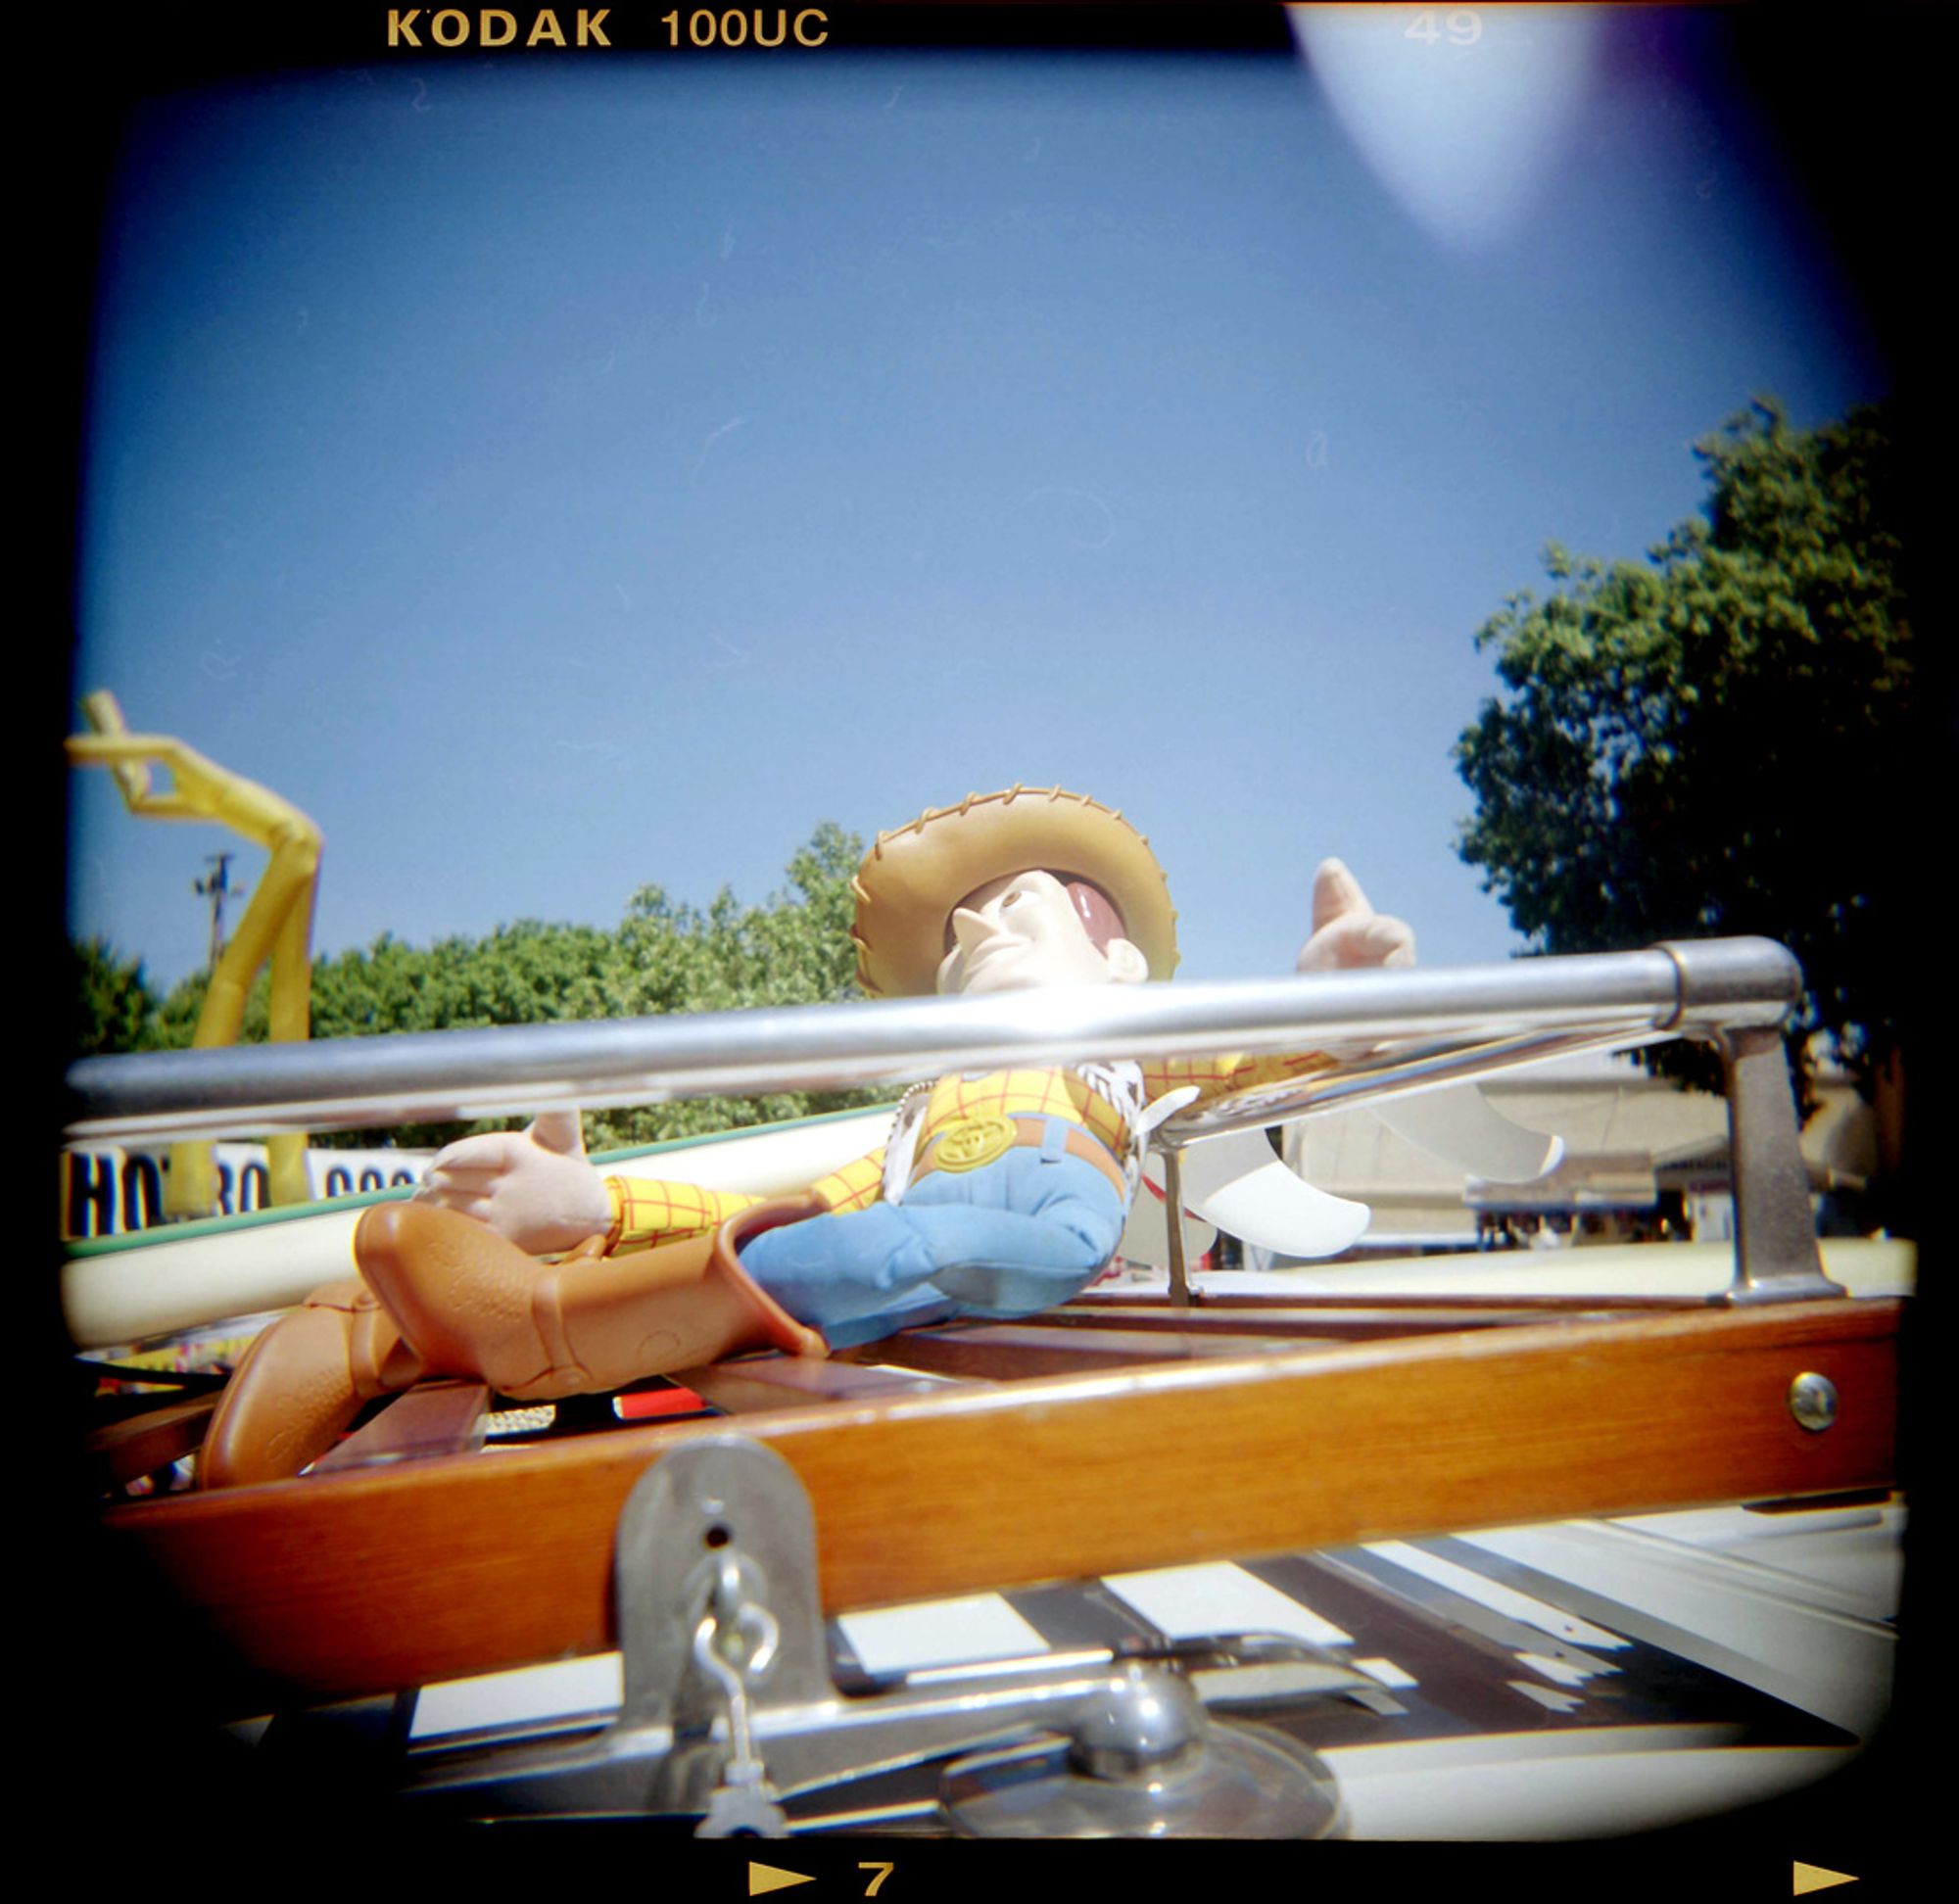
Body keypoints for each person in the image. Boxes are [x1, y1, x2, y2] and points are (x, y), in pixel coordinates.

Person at [198, 785, 1411, 1486]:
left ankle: (517, 1331)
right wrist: (594, 1207)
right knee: (827, 1247)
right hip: (910, 1241)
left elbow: (1259, 1055)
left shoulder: (1128, 1048)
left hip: (1046, 1231)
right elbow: (798, 1203)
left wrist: (1336, 1002)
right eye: (962, 925)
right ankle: (409, 1335)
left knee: (868, 1253)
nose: (980, 922)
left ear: (1119, 961)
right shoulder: (913, 1118)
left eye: (1020, 901)